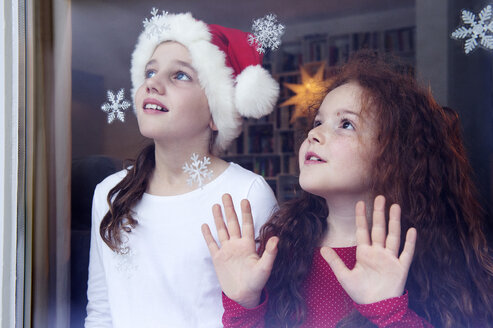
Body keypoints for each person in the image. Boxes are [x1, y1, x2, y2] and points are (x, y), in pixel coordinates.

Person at [202, 50, 493, 327]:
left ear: (394, 153)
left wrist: (390, 312)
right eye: (317, 122)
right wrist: (244, 304)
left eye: (345, 124)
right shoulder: (278, 250)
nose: (315, 134)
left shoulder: (420, 257)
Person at [85, 10, 283, 328]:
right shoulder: (109, 193)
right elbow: (101, 312)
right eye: (150, 71)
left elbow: (272, 315)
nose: (154, 83)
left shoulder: (247, 194)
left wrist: (249, 300)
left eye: (180, 75)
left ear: (216, 113)